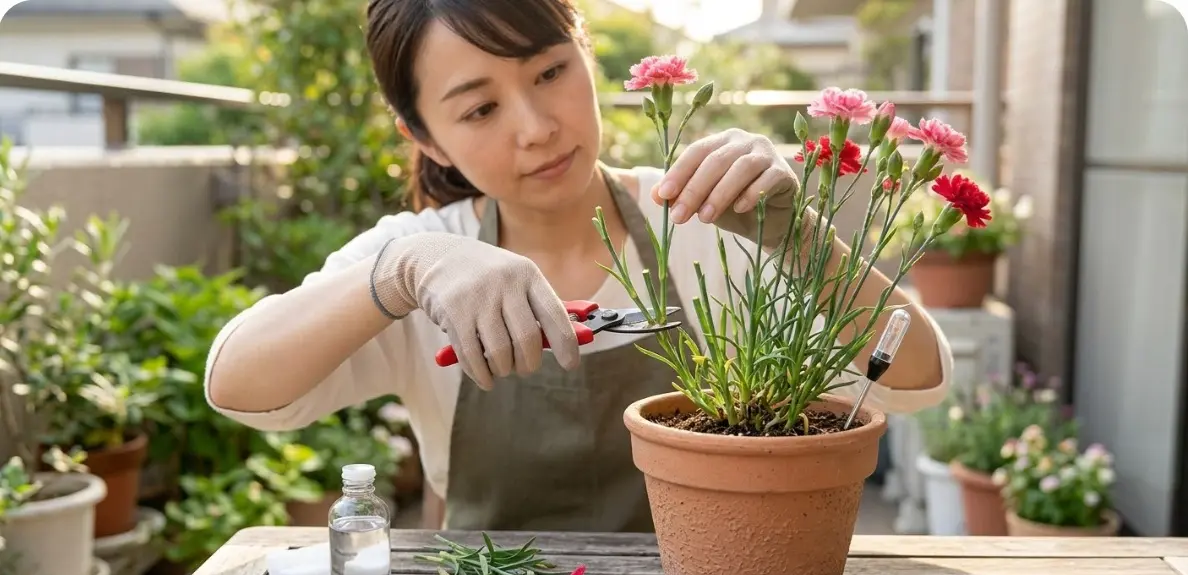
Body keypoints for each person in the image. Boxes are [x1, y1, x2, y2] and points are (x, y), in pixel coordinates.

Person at [203, 0, 954, 532]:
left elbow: (918, 380)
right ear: (423, 136)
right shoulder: (417, 258)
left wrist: (799, 235)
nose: (537, 128)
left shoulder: (705, 219)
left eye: (549, 71)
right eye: (479, 109)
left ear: (586, 52)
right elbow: (238, 387)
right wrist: (403, 269)